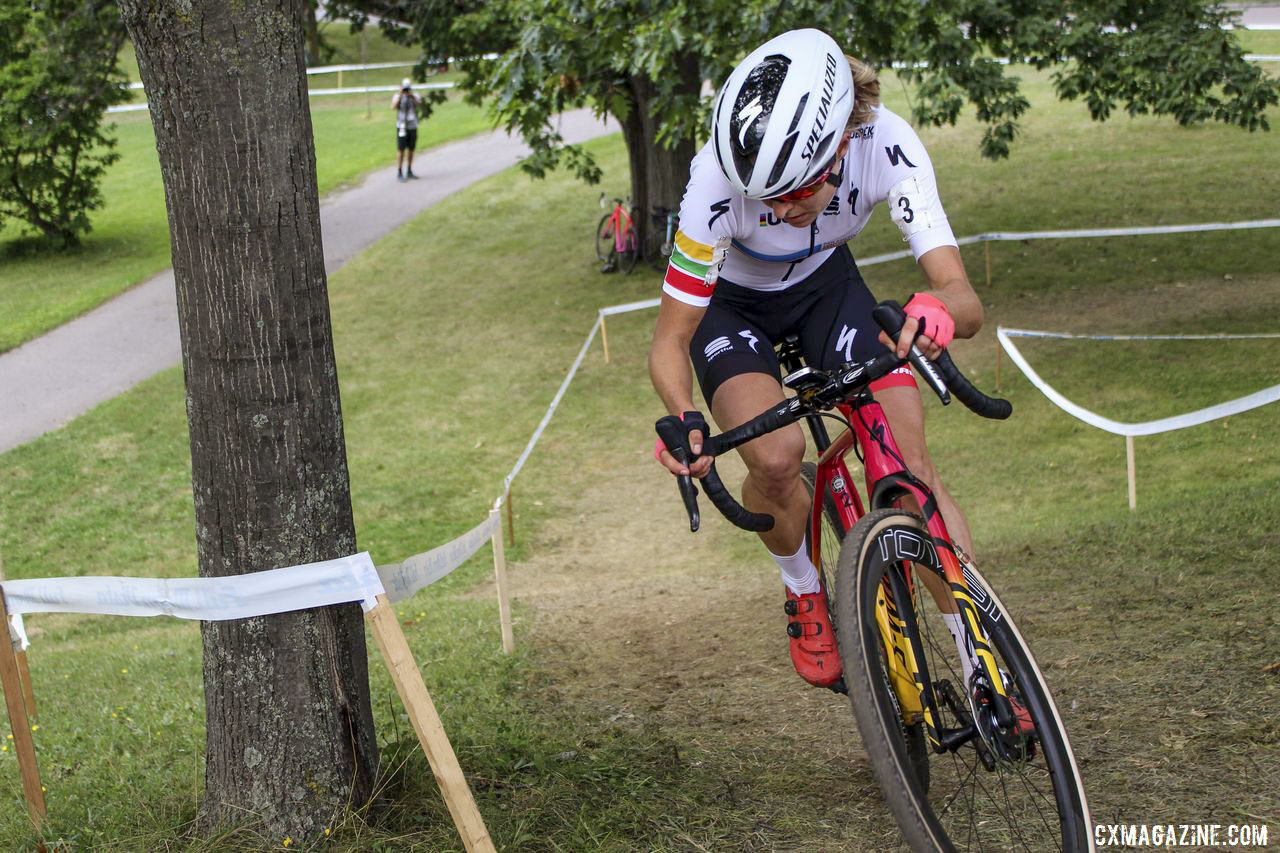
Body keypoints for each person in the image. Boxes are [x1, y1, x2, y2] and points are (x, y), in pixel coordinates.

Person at [649, 29, 985, 690]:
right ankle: (802, 586)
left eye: (795, 192)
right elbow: (668, 340)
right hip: (734, 306)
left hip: (829, 289)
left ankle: (981, 651)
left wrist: (939, 311)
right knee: (774, 459)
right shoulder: (714, 182)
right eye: (764, 196)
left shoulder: (885, 144)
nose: (778, 209)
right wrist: (683, 414)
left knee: (910, 465)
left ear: (838, 145)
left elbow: (963, 298)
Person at [392, 78, 422, 182]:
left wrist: (412, 96)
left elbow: (419, 104)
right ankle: (399, 171)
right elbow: (393, 107)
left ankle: (409, 170)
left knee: (411, 149)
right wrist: (401, 95)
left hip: (412, 125)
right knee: (401, 149)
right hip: (402, 126)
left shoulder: (415, 95)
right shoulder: (397, 96)